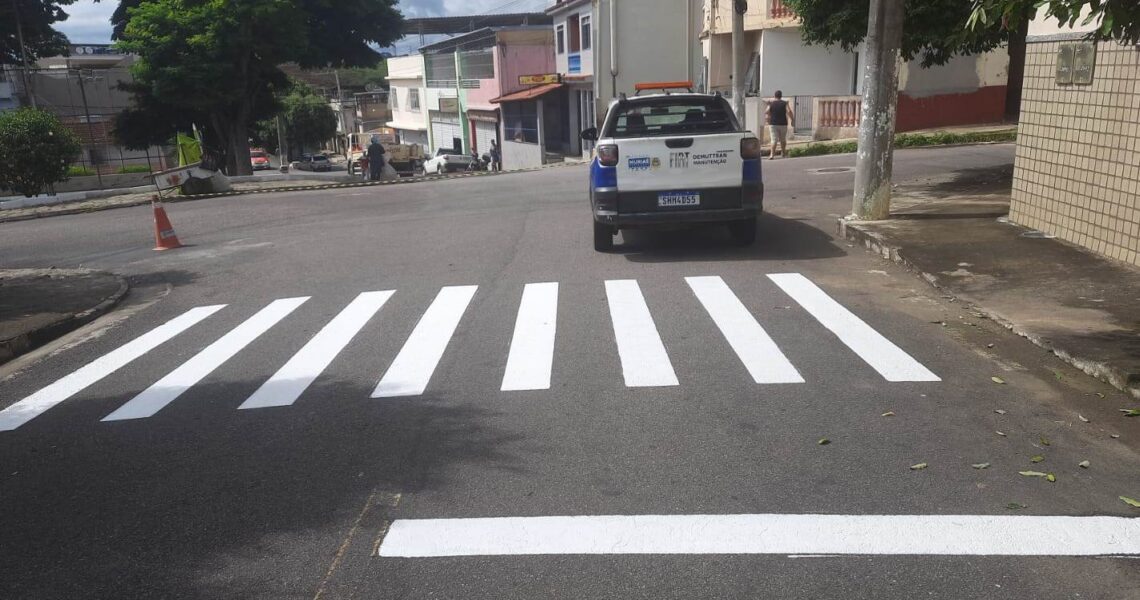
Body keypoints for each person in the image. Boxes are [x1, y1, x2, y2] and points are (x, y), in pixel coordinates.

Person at [765, 90, 794, 160]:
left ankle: (772, 155)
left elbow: (766, 112)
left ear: (774, 96)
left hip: (773, 124)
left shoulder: (771, 104)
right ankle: (783, 153)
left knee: (773, 140)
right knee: (783, 139)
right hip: (783, 123)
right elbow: (789, 111)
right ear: (781, 96)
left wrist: (768, 105)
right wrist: (792, 120)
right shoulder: (785, 103)